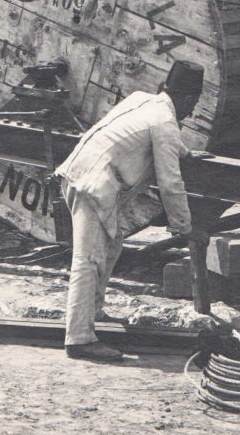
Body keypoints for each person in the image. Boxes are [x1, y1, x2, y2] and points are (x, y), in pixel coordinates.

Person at [56, 60, 206, 361]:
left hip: (83, 173)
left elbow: (158, 141)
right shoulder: (164, 121)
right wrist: (185, 227)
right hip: (93, 184)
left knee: (111, 247)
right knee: (89, 260)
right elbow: (170, 182)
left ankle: (93, 313)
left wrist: (186, 153)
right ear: (188, 99)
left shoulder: (143, 99)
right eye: (192, 105)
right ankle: (79, 339)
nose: (190, 113)